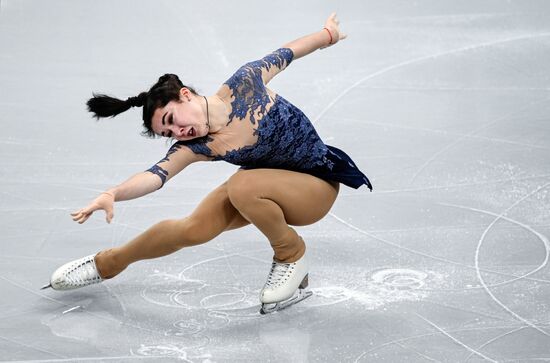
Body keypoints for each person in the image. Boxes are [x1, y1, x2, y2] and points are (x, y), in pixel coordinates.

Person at [43, 13, 372, 313]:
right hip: (267, 186)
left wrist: (327, 35)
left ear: (185, 94)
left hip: (316, 185)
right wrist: (113, 193)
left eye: (171, 119)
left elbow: (286, 53)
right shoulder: (197, 145)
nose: (177, 132)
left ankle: (290, 254)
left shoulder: (245, 83)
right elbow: (156, 175)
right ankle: (108, 263)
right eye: (167, 132)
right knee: (194, 228)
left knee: (243, 184)